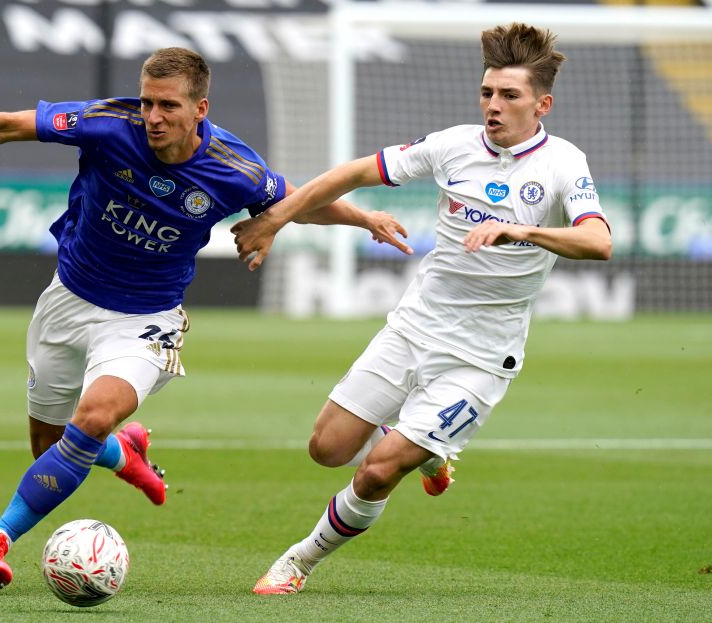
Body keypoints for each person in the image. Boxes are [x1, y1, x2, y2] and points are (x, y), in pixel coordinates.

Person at [0, 47, 407, 590]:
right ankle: (124, 452)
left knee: (92, 418)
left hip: (146, 319)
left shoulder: (232, 167)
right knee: (50, 448)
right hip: (67, 301)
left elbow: (298, 200)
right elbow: (5, 126)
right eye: (147, 103)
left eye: (167, 106)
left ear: (201, 110)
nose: (152, 117)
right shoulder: (106, 124)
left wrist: (364, 219)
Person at [231, 23, 613, 594]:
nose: (493, 106)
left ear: (542, 103)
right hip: (414, 327)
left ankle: (298, 562)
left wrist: (521, 231)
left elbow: (599, 241)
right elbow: (354, 172)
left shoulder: (563, 163)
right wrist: (277, 218)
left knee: (380, 467)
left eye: (509, 96)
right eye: (487, 93)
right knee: (326, 449)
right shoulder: (452, 145)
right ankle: (427, 449)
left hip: (481, 357)